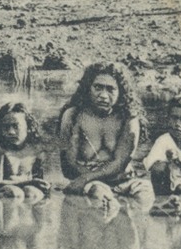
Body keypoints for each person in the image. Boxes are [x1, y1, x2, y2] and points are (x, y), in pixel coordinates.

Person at [59, 62, 144, 200]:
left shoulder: (129, 118)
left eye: (110, 89)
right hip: (89, 182)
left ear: (120, 91)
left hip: (123, 180)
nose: (103, 95)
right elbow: (69, 164)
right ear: (88, 88)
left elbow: (120, 162)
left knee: (145, 196)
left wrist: (87, 177)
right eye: (98, 87)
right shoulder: (73, 115)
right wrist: (87, 178)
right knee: (99, 194)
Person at [0, 102, 51, 202]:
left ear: (28, 127)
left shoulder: (36, 150)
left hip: (27, 189)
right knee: (14, 193)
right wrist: (30, 182)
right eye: (6, 127)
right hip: (5, 190)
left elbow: (39, 182)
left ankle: (27, 218)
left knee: (33, 193)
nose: (11, 132)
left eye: (15, 126)